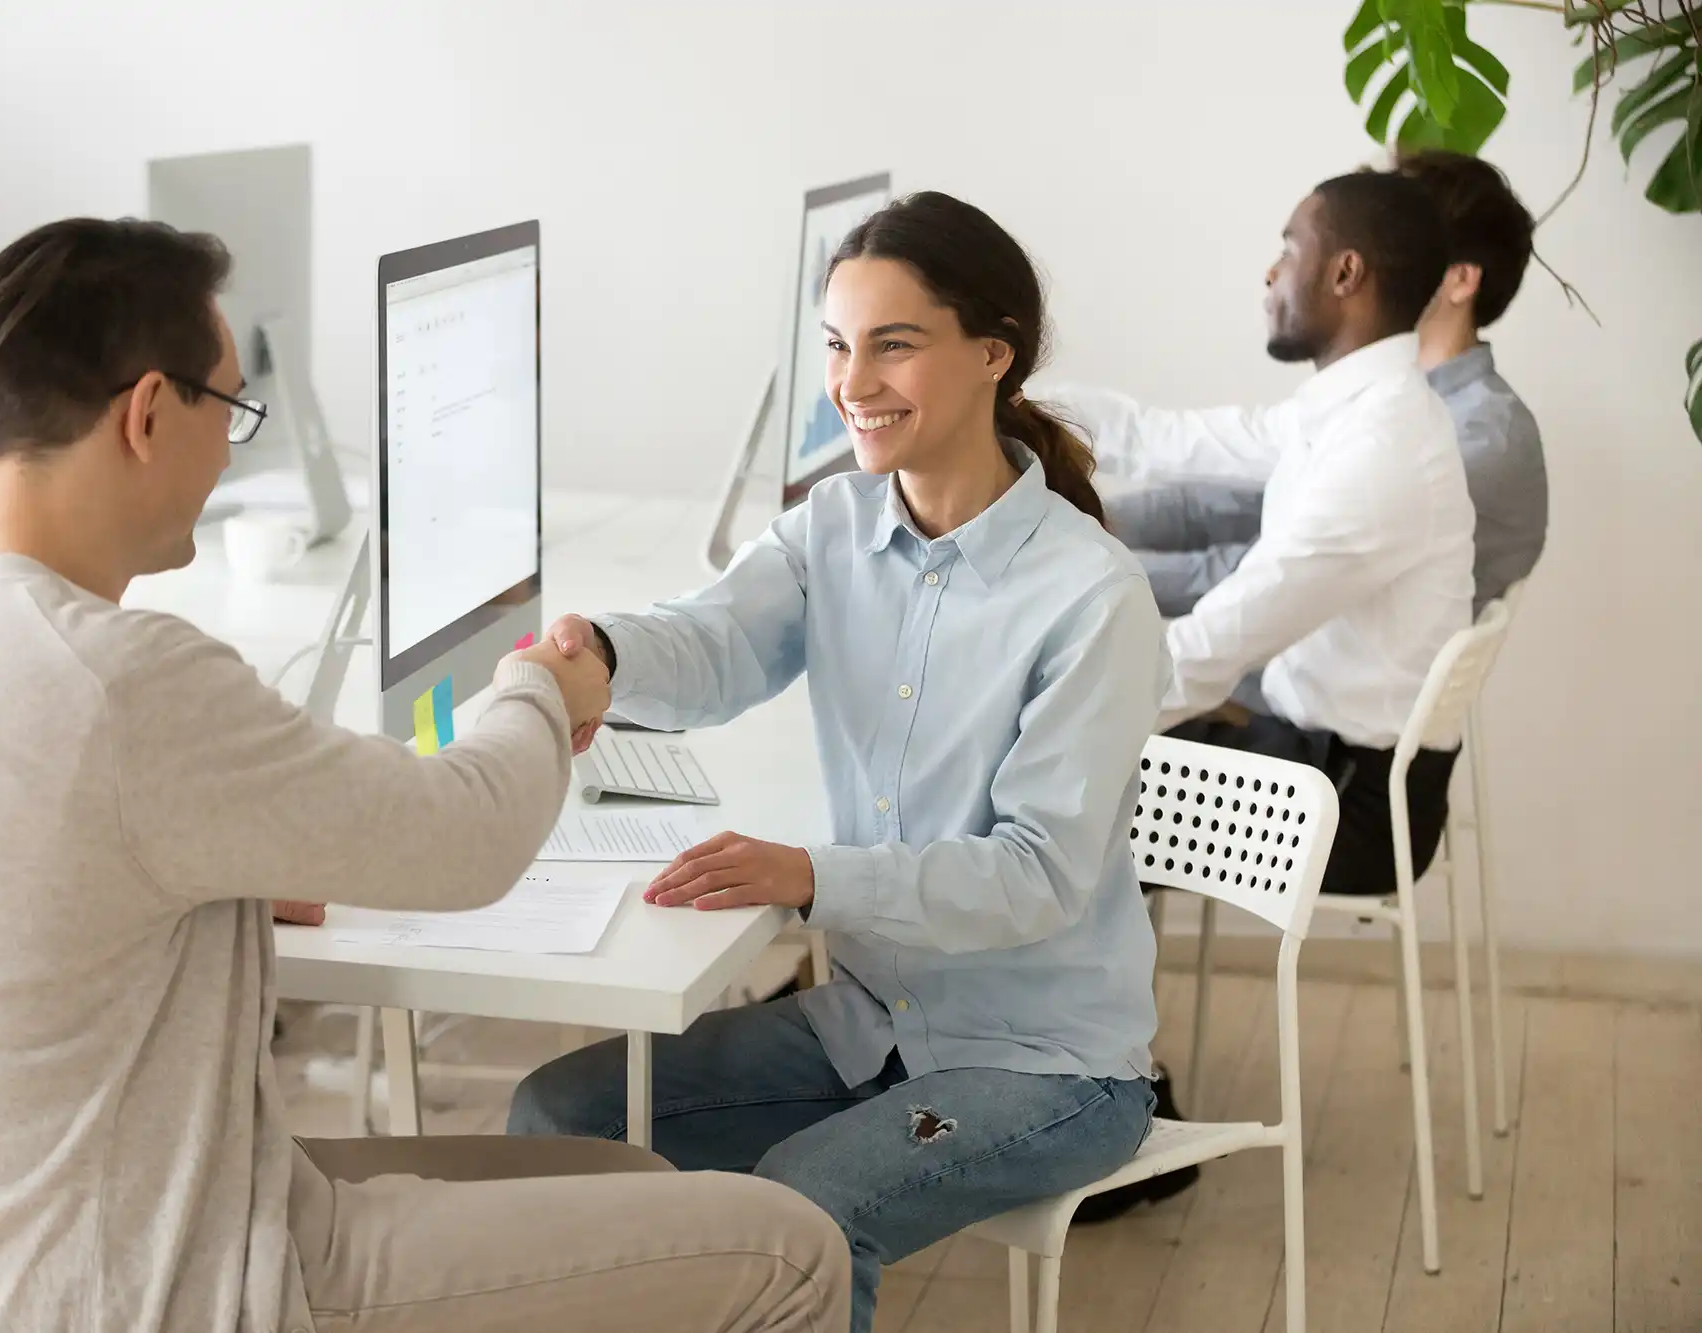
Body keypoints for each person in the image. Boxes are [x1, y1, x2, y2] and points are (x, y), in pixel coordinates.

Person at [0, 217, 848, 1333]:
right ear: (149, 413)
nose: (233, 452)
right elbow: (468, 837)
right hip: (197, 1283)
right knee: (793, 1251)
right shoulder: (122, 682)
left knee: (631, 1182)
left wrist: (225, 872)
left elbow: (40, 866)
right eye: (231, 410)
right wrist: (545, 690)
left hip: (3, 1272)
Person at [507, 192, 1169, 1333]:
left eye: (892, 344)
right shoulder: (832, 529)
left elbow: (1035, 874)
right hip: (870, 1021)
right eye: (835, 345)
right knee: (557, 1113)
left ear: (991, 355)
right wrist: (603, 655)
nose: (852, 381)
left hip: (1047, 1067)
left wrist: (810, 876)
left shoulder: (1090, 598)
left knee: (802, 1211)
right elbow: (714, 640)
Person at [1055, 169, 1473, 900]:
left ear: (1346, 273)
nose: (1271, 273)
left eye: (1288, 248)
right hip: (1314, 759)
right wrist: (1003, 398)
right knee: (1051, 778)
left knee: (1046, 802)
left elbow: (1214, 646)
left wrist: (1040, 721)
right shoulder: (1356, 412)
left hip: (1346, 805)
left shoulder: (1382, 451)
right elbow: (1169, 438)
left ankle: (978, 1011)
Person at [1102, 151, 1546, 618]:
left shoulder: (1474, 437)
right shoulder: (1376, 395)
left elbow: (1256, 574)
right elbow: (1231, 502)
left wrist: (1078, 568)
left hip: (1291, 676)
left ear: (1459, 280)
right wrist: (1089, 520)